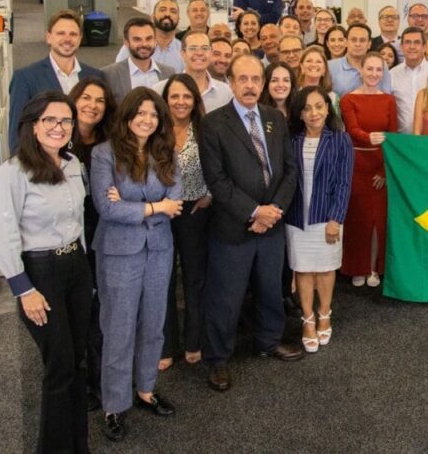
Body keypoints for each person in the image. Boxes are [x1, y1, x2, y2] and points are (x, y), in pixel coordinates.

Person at [0, 93, 93, 453]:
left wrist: (85, 272)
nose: (59, 127)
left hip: (76, 268)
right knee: (60, 365)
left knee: (77, 361)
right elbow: (3, 234)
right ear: (33, 125)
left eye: (66, 120)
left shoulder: (73, 163)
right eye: (50, 120)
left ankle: (79, 445)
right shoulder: (14, 171)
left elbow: (78, 220)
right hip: (40, 273)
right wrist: (24, 289)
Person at [199, 54, 304, 394]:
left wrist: (274, 210)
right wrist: (254, 212)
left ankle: (268, 341)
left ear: (263, 83)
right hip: (233, 228)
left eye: (255, 79)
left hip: (272, 225)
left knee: (270, 288)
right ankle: (218, 358)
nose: (249, 85)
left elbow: (290, 170)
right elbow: (217, 180)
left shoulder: (274, 118)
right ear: (230, 82)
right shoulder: (214, 123)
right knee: (226, 297)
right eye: (242, 79)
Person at [90, 87, 182, 442]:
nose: (147, 119)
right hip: (119, 252)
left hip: (159, 248)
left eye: (153, 114)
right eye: (140, 113)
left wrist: (133, 205)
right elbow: (106, 208)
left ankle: (146, 388)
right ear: (127, 116)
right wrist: (156, 207)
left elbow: (176, 201)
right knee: (119, 328)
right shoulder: (104, 153)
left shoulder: (166, 151)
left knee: (154, 324)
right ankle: (114, 404)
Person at [286, 87, 353, 352]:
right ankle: (308, 318)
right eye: (307, 108)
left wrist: (336, 218)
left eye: (318, 106)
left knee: (325, 268)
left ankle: (324, 313)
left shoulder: (340, 139)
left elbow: (344, 183)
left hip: (327, 217)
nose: (313, 112)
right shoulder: (292, 140)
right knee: (303, 269)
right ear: (299, 114)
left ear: (327, 108)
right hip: (297, 217)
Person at [159, 75, 212, 372]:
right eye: (175, 96)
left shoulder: (205, 129)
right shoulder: (155, 129)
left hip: (195, 211)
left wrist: (210, 195)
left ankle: (194, 341)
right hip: (161, 213)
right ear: (166, 100)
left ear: (195, 100)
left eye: (186, 96)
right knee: (163, 280)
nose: (181, 102)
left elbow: (220, 164)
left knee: (195, 279)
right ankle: (166, 345)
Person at [68, 78, 115, 411]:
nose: (93, 105)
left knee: (99, 308)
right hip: (68, 234)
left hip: (102, 230)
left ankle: (100, 379)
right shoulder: (58, 138)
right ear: (74, 100)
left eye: (100, 100)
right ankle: (75, 378)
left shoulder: (109, 142)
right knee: (74, 308)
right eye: (86, 98)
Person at [8, 9, 104, 153]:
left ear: (80, 38)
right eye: (61, 33)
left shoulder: (95, 76)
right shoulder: (25, 78)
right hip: (43, 160)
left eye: (73, 34)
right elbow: (17, 134)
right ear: (48, 37)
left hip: (87, 158)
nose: (67, 39)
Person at [340, 51, 398, 287]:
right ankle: (358, 267)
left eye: (378, 70)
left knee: (378, 221)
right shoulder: (348, 100)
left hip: (380, 164)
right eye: (370, 68)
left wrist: (384, 171)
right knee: (358, 219)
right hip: (356, 165)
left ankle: (374, 267)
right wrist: (368, 138)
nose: (374, 74)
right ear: (361, 70)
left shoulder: (389, 101)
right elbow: (352, 130)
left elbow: (392, 136)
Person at [101, 18, 176, 103]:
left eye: (148, 38)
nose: (144, 44)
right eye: (137, 39)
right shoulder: (109, 75)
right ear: (126, 42)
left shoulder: (169, 73)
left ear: (155, 41)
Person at [156, 32, 233, 113]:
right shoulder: (161, 89)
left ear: (210, 53)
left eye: (204, 48)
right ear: (183, 54)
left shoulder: (226, 92)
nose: (199, 53)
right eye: (193, 48)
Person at [114, 0, 184, 73]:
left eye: (173, 11)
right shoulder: (132, 47)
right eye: (162, 10)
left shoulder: (184, 51)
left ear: (178, 19)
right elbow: (118, 73)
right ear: (152, 17)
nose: (167, 14)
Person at [329, 23, 391, 96]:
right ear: (345, 42)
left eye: (362, 40)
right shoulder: (330, 67)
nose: (357, 44)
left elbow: (386, 96)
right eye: (353, 40)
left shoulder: (381, 65)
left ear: (369, 44)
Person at [389, 27, 428, 134]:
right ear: (401, 47)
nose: (412, 47)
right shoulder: (392, 74)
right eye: (407, 42)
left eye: (417, 42)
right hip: (402, 138)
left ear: (424, 47)